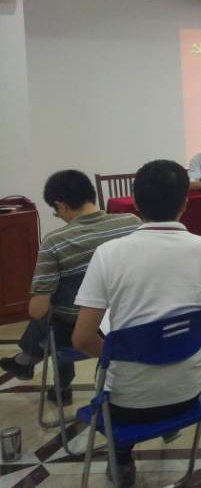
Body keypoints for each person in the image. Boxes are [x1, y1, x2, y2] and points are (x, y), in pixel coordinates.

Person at [72, 160, 201, 487]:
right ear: (185, 202)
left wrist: (124, 352)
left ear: (136, 204)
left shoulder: (108, 253)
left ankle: (122, 457)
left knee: (115, 368)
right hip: (191, 392)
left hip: (127, 404)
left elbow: (82, 339)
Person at [0, 171, 140, 401]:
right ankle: (30, 366)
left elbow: (37, 310)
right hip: (130, 321)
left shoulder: (55, 242)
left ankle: (39, 370)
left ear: (61, 206)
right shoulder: (132, 223)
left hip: (82, 333)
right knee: (60, 306)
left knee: (53, 311)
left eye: (56, 212)